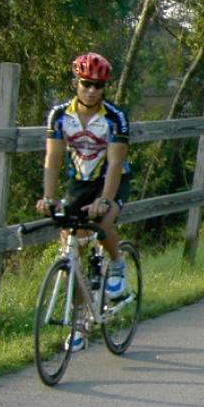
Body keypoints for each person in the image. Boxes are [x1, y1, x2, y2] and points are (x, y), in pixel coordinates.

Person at [37, 52, 132, 352]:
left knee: (102, 222)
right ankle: (79, 320)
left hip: (111, 180)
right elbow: (52, 159)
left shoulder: (115, 117)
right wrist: (49, 197)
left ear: (105, 88)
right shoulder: (60, 115)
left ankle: (117, 264)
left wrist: (105, 200)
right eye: (86, 83)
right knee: (71, 246)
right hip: (80, 182)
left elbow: (116, 164)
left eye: (98, 85)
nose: (91, 90)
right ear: (75, 83)